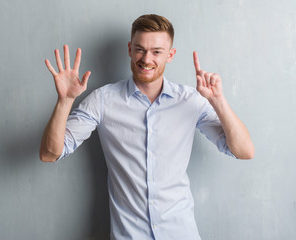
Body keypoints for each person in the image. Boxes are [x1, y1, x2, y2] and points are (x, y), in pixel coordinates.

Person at [39, 14, 254, 240]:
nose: (146, 58)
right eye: (140, 49)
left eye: (157, 52)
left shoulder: (191, 100)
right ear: (130, 49)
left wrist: (218, 100)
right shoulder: (102, 100)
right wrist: (64, 101)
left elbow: (243, 151)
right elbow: (49, 153)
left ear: (170, 55)